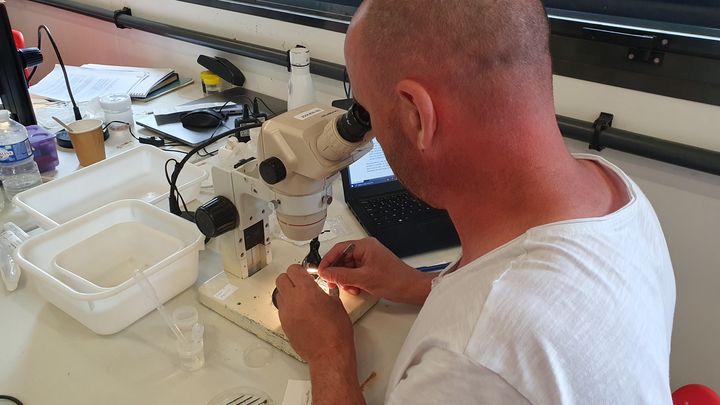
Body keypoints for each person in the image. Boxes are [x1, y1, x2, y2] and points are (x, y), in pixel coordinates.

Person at [274, 0, 676, 403]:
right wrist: (417, 286)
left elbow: (494, 346)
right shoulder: (615, 192)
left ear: (417, 115)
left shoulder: (473, 360)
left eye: (367, 112)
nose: (369, 129)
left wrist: (328, 354)